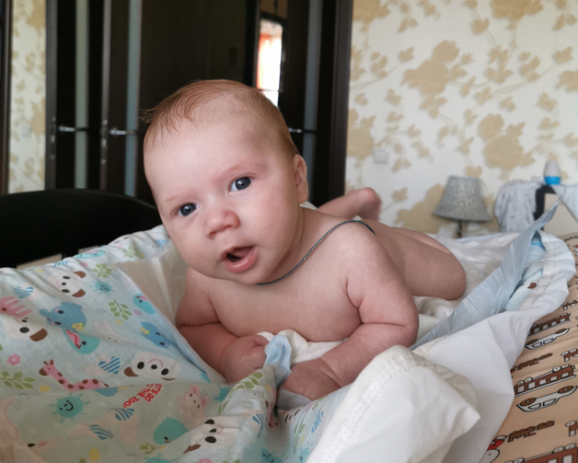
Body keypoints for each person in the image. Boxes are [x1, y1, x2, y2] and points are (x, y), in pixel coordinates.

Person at [143, 80, 466, 401]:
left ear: (297, 179)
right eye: (187, 208)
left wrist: (331, 370)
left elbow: (396, 322)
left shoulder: (352, 251)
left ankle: (363, 213)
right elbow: (194, 327)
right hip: (305, 231)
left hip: (384, 247)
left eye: (240, 183)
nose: (216, 222)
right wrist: (226, 352)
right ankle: (353, 203)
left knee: (452, 279)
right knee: (294, 225)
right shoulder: (205, 277)